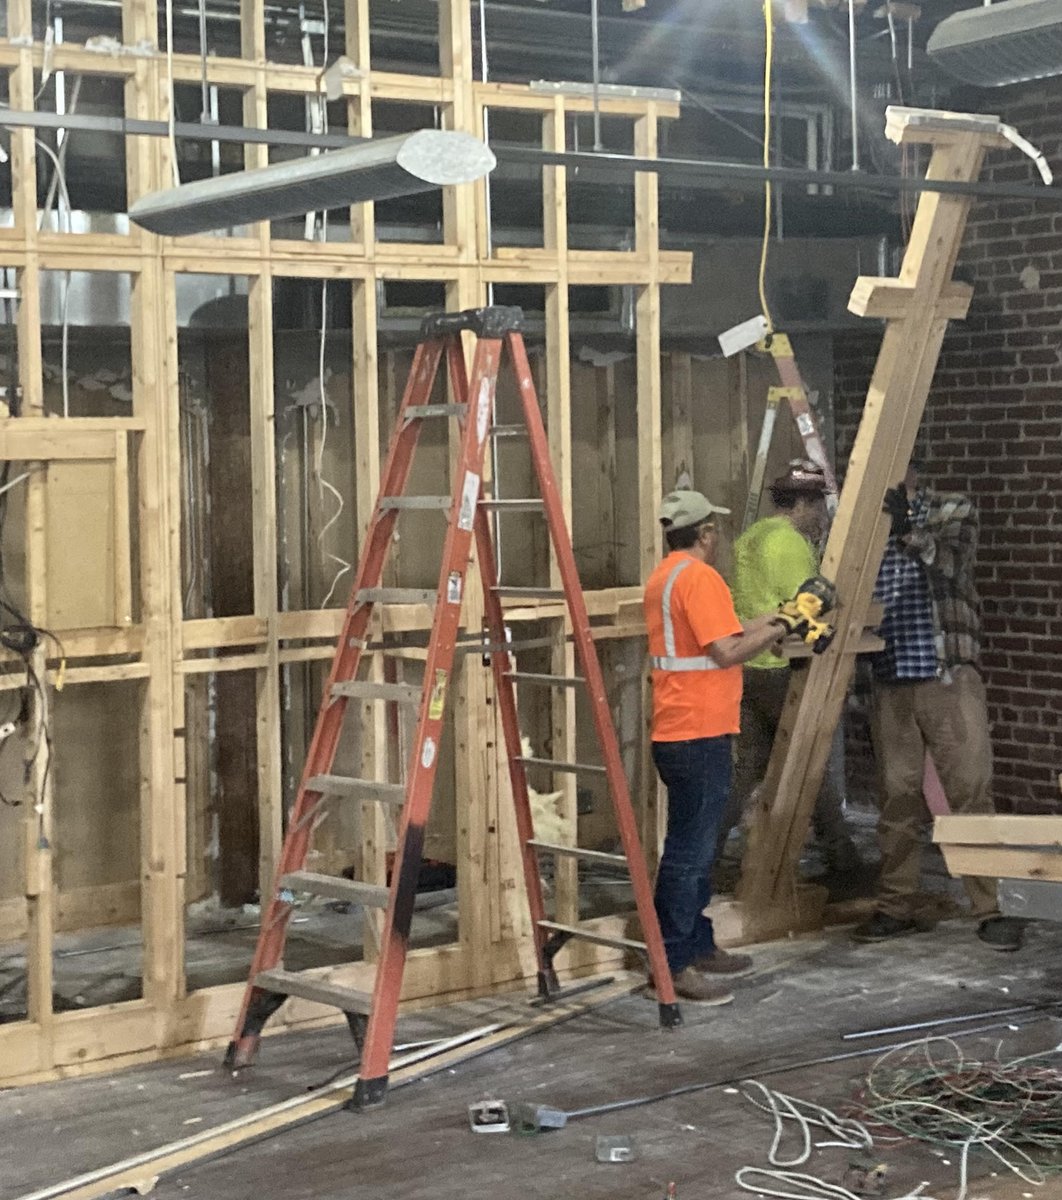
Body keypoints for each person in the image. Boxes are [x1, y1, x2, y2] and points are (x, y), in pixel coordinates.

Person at [644, 489, 831, 1004]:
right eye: (715, 530)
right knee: (689, 851)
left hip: (680, 728)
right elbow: (727, 651)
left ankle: (696, 943)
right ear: (706, 532)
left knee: (696, 847)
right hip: (697, 731)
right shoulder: (700, 578)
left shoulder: (668, 575)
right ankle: (674, 962)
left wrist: (782, 617)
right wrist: (787, 623)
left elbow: (723, 633)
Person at [852, 461, 1023, 951]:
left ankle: (991, 908)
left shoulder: (953, 508)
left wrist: (909, 529)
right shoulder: (868, 524)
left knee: (970, 791)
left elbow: (953, 563)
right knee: (897, 797)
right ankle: (896, 905)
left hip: (946, 673)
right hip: (888, 676)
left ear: (909, 466)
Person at [723, 461, 862, 880]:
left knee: (747, 770)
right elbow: (809, 602)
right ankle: (842, 861)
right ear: (801, 503)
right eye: (817, 506)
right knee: (811, 764)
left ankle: (705, 858)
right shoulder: (789, 543)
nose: (821, 515)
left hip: (749, 667)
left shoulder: (751, 537)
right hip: (782, 667)